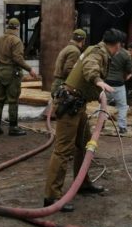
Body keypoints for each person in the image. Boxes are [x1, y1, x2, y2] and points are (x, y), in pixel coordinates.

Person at [44, 28, 122, 212]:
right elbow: (90, 67)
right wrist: (98, 81)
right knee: (63, 151)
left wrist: (97, 89)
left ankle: (82, 184)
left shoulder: (96, 49)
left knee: (86, 144)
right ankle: (51, 197)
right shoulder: (98, 53)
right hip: (69, 104)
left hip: (77, 105)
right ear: (117, 45)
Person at [0, 17, 37, 136]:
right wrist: (29, 69)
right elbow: (17, 58)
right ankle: (13, 127)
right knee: (13, 100)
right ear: (17, 27)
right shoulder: (16, 41)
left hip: (0, 72)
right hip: (12, 74)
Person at [105, 31, 132, 134]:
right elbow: (129, 69)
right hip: (119, 84)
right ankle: (122, 127)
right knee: (122, 106)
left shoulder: (105, 51)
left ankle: (101, 123)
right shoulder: (126, 54)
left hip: (106, 82)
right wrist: (126, 76)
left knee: (103, 105)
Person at [51, 28, 87, 95]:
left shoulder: (68, 48)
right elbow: (68, 70)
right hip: (63, 85)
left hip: (58, 84)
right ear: (83, 40)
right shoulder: (75, 51)